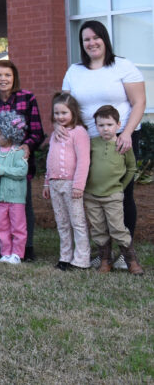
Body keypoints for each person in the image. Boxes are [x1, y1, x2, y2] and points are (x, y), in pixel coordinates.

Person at [62, 20, 146, 269]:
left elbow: (139, 102)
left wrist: (126, 133)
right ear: (82, 44)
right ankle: (104, 252)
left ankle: (124, 254)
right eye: (86, 39)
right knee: (93, 195)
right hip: (86, 142)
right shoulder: (74, 71)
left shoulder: (123, 66)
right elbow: (67, 107)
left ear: (105, 39)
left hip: (120, 138)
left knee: (121, 194)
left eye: (96, 37)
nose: (91, 42)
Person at [0, 60, 45, 261]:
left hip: (18, 161)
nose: (3, 79)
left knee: (22, 206)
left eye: (7, 75)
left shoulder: (27, 98)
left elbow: (37, 131)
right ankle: (2, 246)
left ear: (14, 77)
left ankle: (27, 248)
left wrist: (27, 146)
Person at [85, 105, 142, 275]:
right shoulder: (92, 144)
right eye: (101, 125)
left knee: (117, 227)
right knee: (98, 228)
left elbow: (131, 168)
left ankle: (131, 260)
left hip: (113, 195)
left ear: (118, 124)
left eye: (109, 125)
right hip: (92, 195)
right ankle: (105, 260)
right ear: (96, 126)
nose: (105, 129)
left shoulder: (123, 144)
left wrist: (120, 187)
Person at [43, 92, 90, 270]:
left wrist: (78, 185)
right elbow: (50, 159)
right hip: (55, 184)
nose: (60, 117)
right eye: (57, 113)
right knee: (62, 222)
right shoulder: (56, 133)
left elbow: (84, 160)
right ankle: (65, 257)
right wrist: (47, 182)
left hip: (72, 185)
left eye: (64, 113)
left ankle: (81, 259)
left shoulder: (79, 132)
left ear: (73, 113)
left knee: (77, 222)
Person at [0, 110, 29, 265]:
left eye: (0, 134)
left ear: (11, 133)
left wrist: (3, 170)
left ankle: (17, 254)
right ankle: (5, 253)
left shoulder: (18, 152)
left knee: (18, 226)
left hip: (15, 198)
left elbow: (22, 171)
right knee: (1, 226)